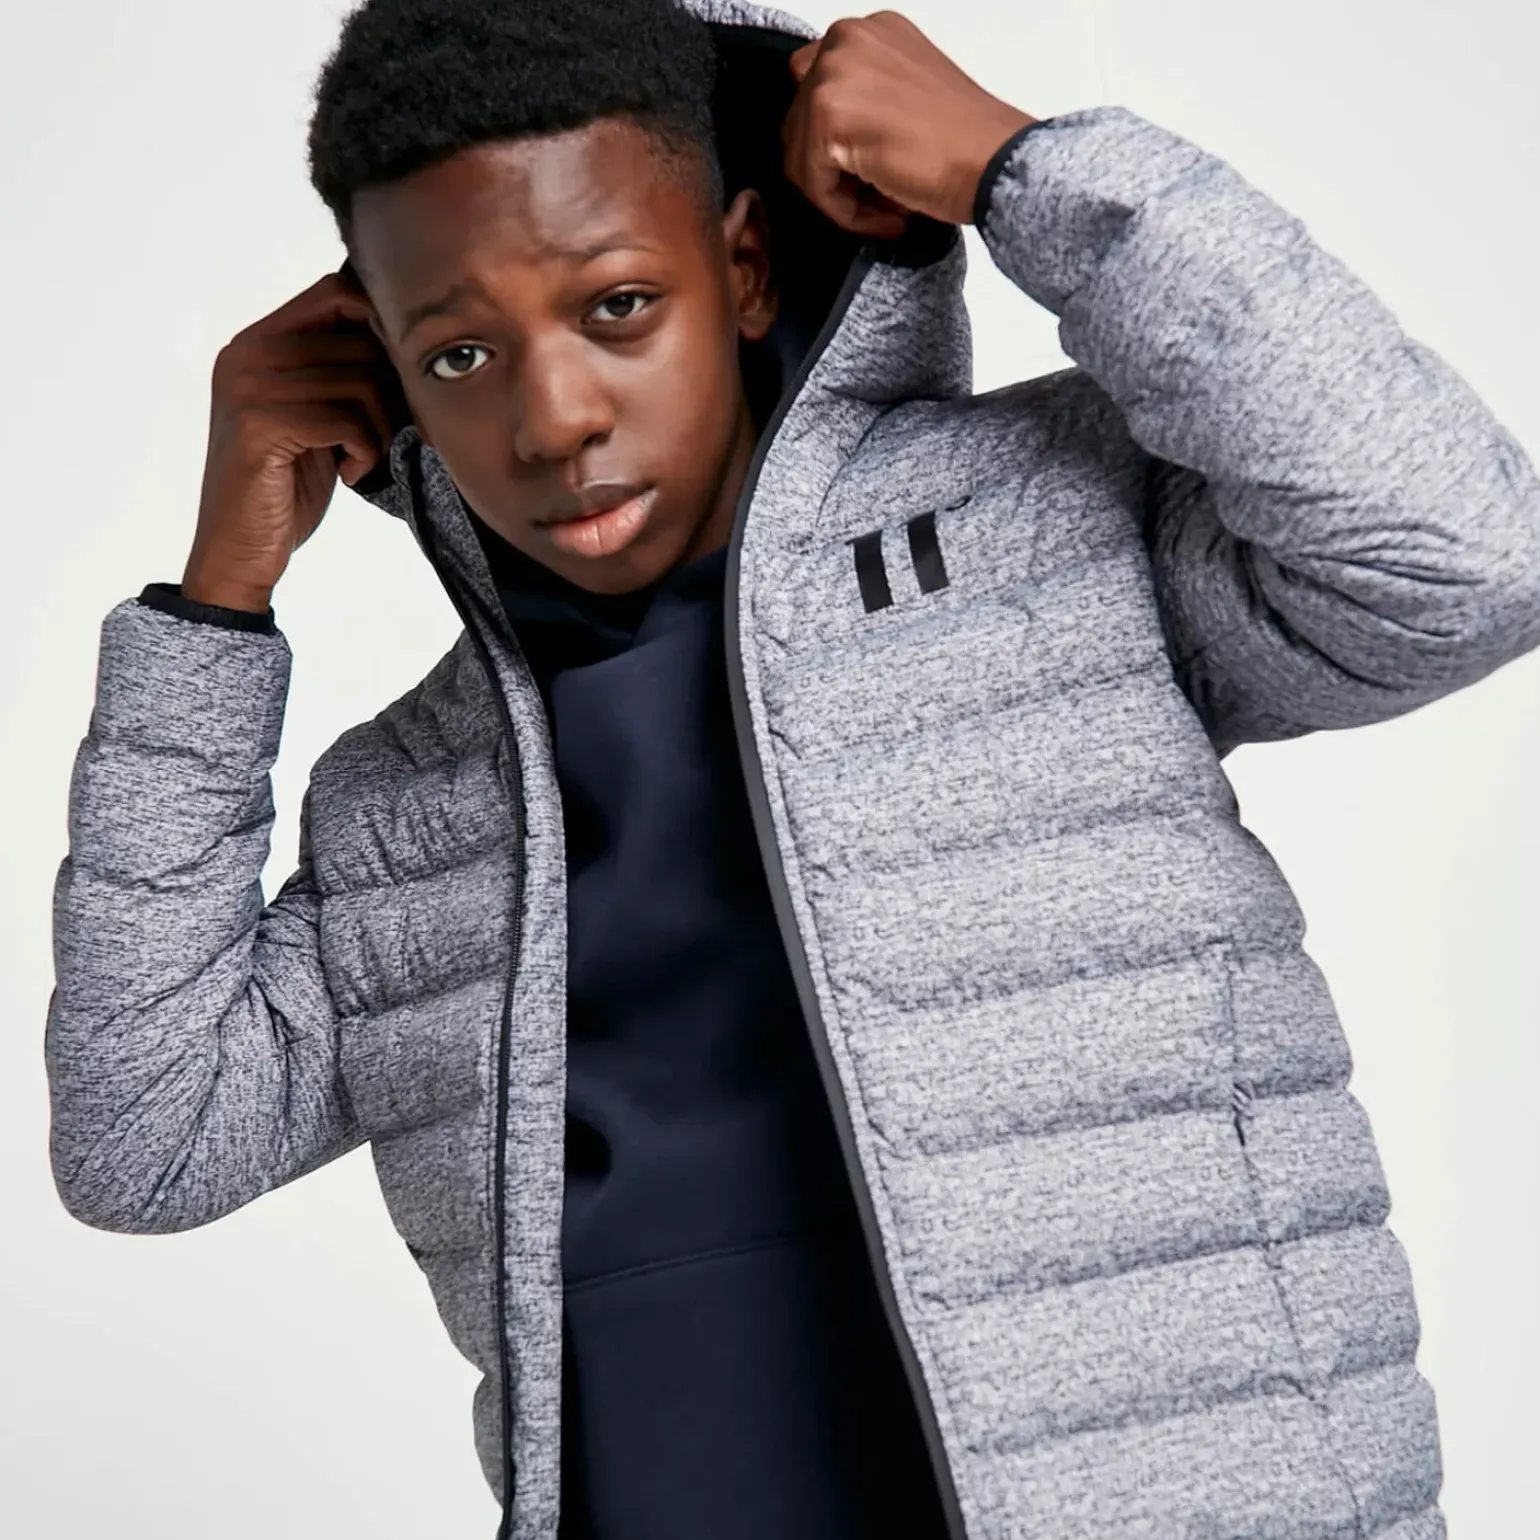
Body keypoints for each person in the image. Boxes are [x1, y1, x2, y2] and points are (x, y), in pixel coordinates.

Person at [43, 0, 1540, 1536]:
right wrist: (215, 602)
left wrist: (1028, 175)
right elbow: (147, 1140)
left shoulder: (1055, 528)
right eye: (462, 351)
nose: (553, 419)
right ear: (391, 381)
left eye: (618, 305)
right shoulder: (409, 803)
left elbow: (1463, 565)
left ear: (745, 268)